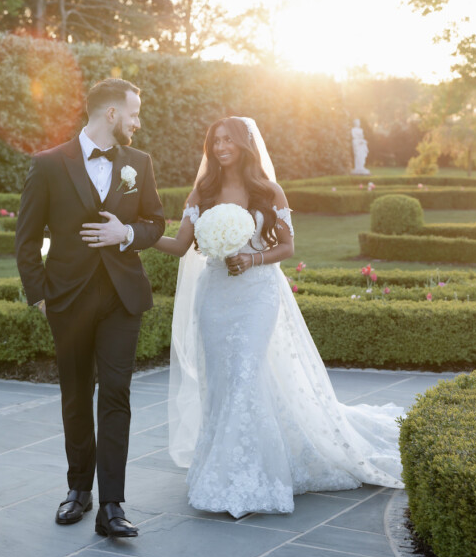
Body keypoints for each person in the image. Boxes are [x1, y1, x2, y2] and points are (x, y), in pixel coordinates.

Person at [152, 115, 403, 518]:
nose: (220, 147)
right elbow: (182, 244)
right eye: (215, 141)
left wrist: (252, 258)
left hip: (257, 293)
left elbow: (286, 247)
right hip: (216, 295)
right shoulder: (204, 190)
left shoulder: (268, 190)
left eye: (228, 140)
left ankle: (253, 476)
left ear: (245, 145)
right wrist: (131, 237)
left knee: (245, 373)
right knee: (221, 380)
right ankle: (222, 465)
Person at [15, 78, 165, 538]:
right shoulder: (47, 165)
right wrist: (40, 296)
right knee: (76, 394)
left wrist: (127, 234)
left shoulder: (139, 163)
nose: (139, 122)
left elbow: (156, 222)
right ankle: (78, 491)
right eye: (134, 113)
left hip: (123, 300)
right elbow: (25, 240)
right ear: (112, 114)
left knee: (116, 394)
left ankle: (112, 505)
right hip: (69, 300)